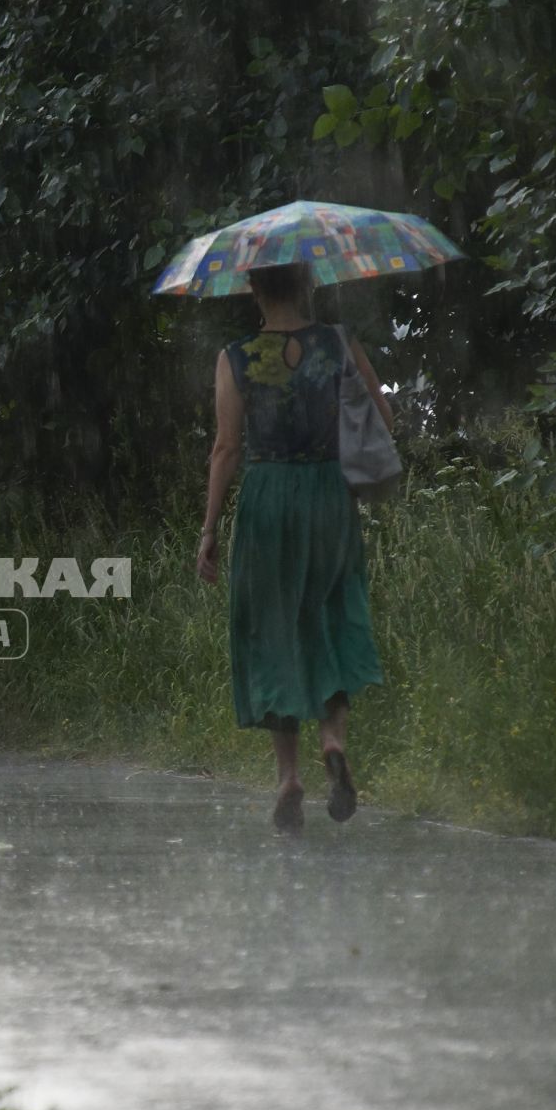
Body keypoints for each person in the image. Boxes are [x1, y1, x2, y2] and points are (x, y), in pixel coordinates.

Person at [196, 263, 390, 834]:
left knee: (272, 626)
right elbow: (382, 415)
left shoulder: (236, 357)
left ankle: (289, 777)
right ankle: (333, 741)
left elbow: (226, 448)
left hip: (269, 497)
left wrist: (209, 530)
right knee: (332, 613)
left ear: (254, 289)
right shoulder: (338, 341)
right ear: (307, 285)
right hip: (328, 494)